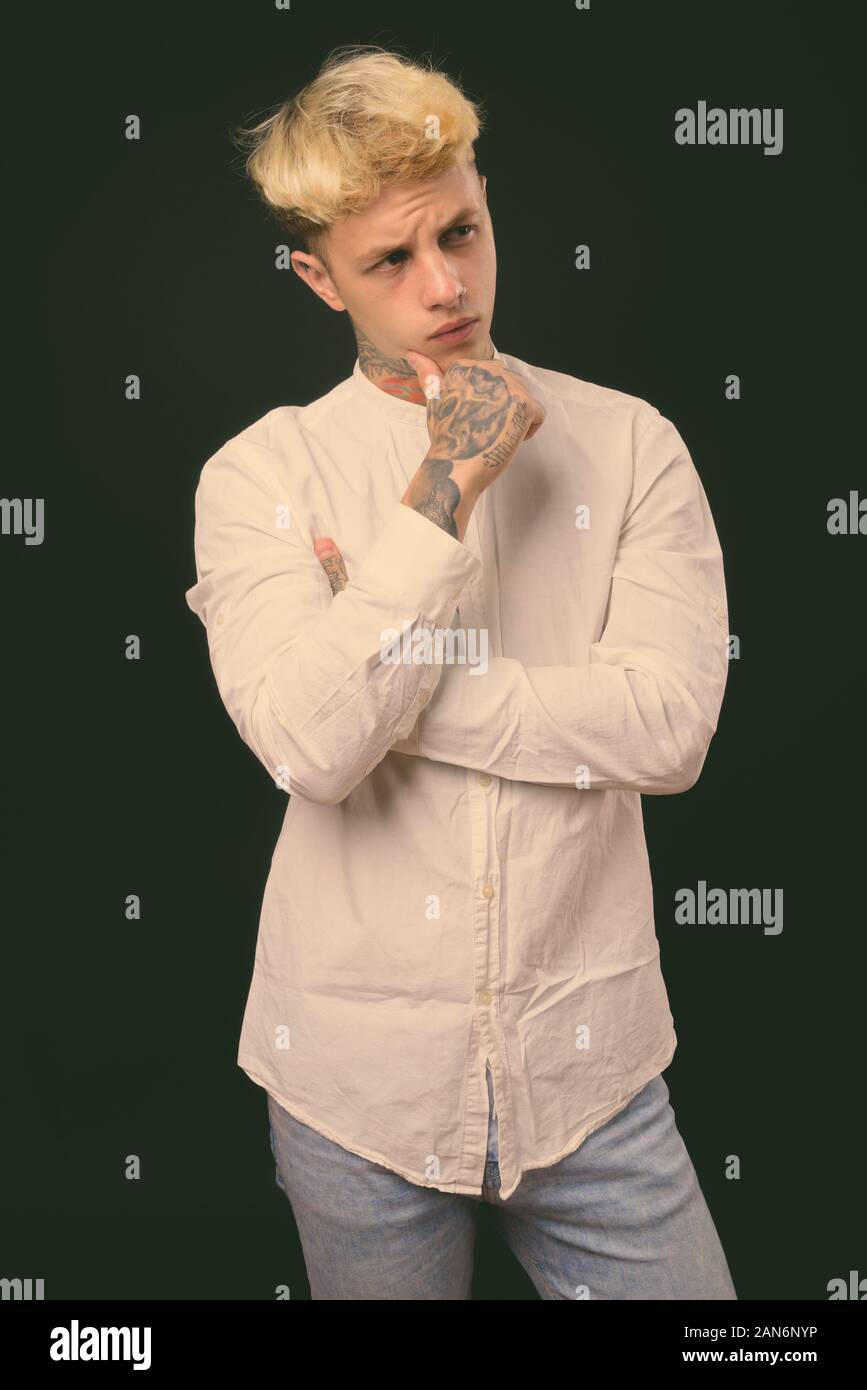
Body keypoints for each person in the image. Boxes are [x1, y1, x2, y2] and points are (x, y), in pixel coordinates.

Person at [185, 43, 736, 1300]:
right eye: (392, 259)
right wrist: (445, 486)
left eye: (465, 232)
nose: (447, 285)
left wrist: (374, 685)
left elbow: (668, 730)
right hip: (355, 1087)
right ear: (317, 278)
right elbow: (311, 750)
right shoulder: (259, 477)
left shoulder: (633, 443)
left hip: (593, 1077)